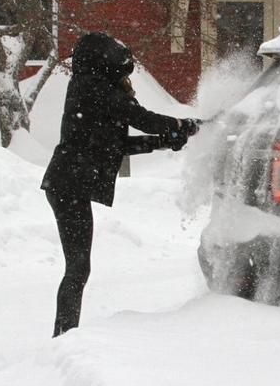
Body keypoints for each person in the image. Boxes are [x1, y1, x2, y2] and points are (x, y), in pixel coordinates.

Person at [41, 32, 197, 337]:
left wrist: (165, 141)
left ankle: (63, 334)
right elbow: (141, 117)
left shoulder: (92, 89)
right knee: (78, 267)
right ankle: (62, 337)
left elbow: (116, 145)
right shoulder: (93, 89)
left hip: (67, 184)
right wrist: (180, 126)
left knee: (78, 267)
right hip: (68, 185)